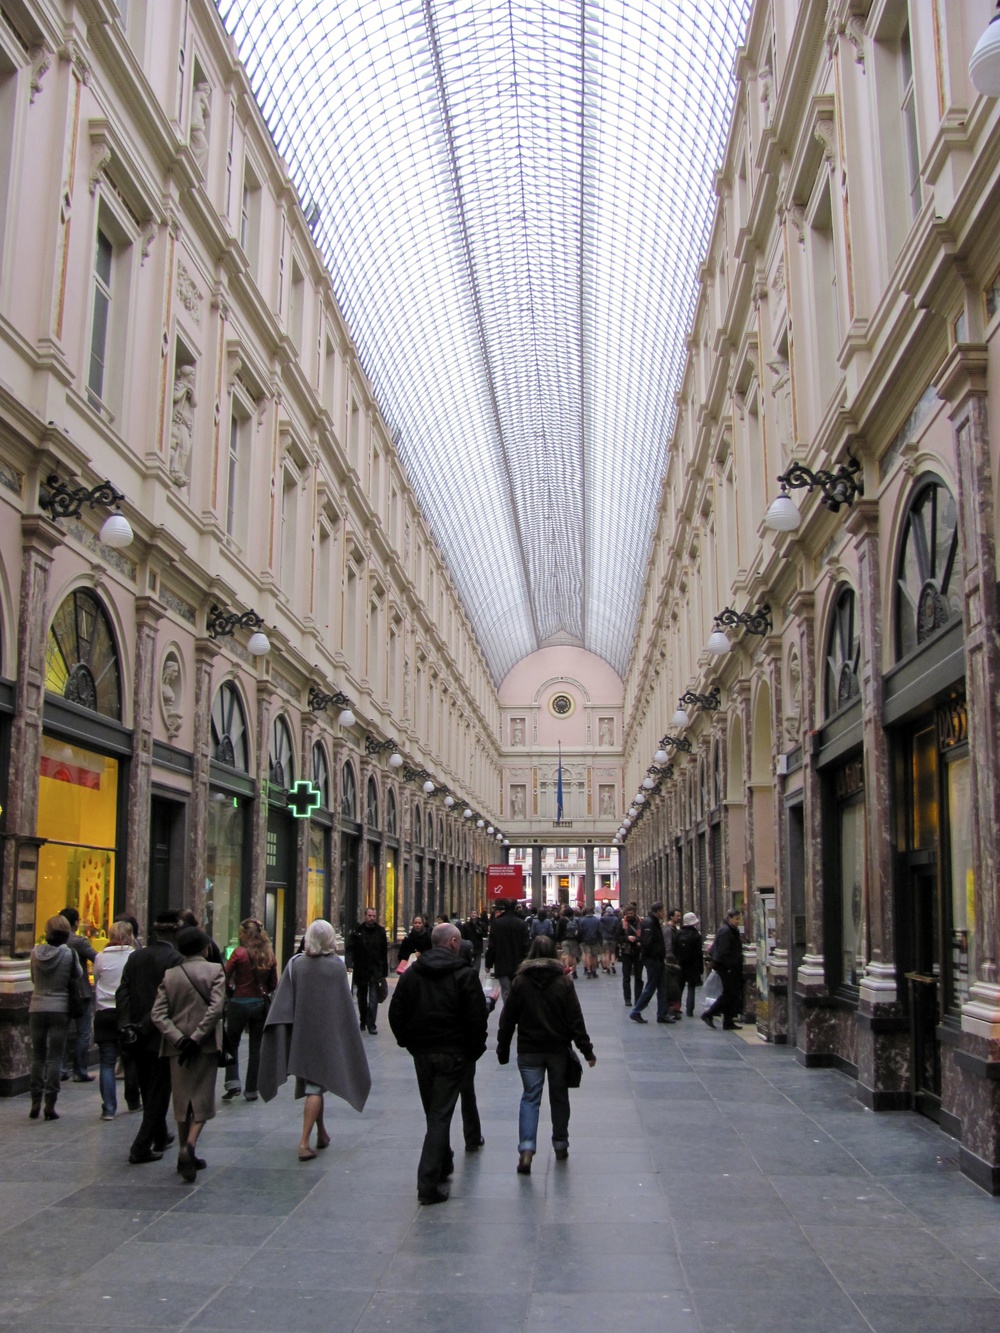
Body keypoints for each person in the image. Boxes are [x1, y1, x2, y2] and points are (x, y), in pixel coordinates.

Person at [388, 923, 488, 1205]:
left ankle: (443, 1164)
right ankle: (427, 1184)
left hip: (423, 1053)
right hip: (453, 1054)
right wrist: (472, 1051)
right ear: (454, 943)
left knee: (434, 1112)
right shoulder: (465, 975)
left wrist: (409, 1042)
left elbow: (396, 1013)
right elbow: (477, 1019)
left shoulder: (413, 974)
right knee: (439, 1115)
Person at [259, 919, 371, 1159]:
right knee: (314, 1087)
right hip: (327, 1036)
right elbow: (343, 1005)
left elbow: (283, 1001)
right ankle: (303, 1143)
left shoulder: (296, 965)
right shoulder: (336, 967)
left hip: (302, 1035)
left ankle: (321, 1133)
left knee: (314, 1081)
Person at [496, 936, 596, 1174]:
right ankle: (560, 1143)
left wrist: (502, 1047)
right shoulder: (563, 982)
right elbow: (575, 1019)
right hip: (557, 1049)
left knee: (530, 1097)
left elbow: (508, 1018)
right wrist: (586, 1050)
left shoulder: (520, 981)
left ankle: (527, 1149)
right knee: (559, 1096)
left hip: (529, 1049)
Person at [151, 927, 225, 1182]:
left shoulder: (171, 975)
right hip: (204, 1046)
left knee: (182, 1101)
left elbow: (157, 1014)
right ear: (205, 948)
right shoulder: (214, 971)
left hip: (177, 1049)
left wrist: (178, 1038)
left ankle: (186, 1153)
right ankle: (189, 1146)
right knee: (202, 1099)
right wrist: (196, 1038)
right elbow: (216, 1008)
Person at [117, 909, 183, 1165]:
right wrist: (144, 1026)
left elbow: (122, 992)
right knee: (158, 1093)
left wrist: (127, 1026)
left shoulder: (136, 957)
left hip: (135, 1034)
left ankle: (161, 1134)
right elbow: (165, 998)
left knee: (148, 1087)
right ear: (175, 932)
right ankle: (141, 1145)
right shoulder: (175, 959)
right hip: (159, 1034)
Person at [28, 915, 81, 1120]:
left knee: (37, 1056)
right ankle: (50, 1103)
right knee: (55, 1057)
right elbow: (77, 975)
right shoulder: (69, 953)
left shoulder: (35, 952)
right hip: (60, 1008)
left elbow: (33, 978)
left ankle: (34, 1101)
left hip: (37, 1005)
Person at [222, 918, 278, 1101]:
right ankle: (251, 1088)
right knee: (256, 1047)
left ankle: (232, 1081)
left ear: (245, 934)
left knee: (232, 1042)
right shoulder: (268, 953)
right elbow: (273, 983)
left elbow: (226, 975)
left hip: (239, 1002)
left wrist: (232, 990)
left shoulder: (239, 953)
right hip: (259, 1004)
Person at [92, 919, 135, 1120]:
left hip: (104, 1012)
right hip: (126, 1012)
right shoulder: (134, 956)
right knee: (130, 1058)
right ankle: (133, 1101)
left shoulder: (100, 958)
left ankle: (108, 1108)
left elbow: (97, 980)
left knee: (107, 1063)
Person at [60, 905, 97, 1082]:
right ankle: (79, 1070)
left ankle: (61, 1069)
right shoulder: (78, 942)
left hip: (62, 991)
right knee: (83, 1032)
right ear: (75, 922)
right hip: (81, 991)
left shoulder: (56, 941)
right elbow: (96, 958)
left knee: (63, 1032)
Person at [345, 906, 389, 1034]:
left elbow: (384, 951)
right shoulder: (358, 931)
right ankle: (363, 1019)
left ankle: (371, 1023)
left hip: (375, 969)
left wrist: (383, 972)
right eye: (369, 916)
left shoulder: (380, 931)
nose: (372, 918)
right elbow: (350, 949)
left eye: (374, 916)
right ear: (365, 916)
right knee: (361, 996)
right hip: (361, 967)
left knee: (374, 997)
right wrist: (349, 963)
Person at [628, 902, 674, 1024]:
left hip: (658, 960)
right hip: (653, 960)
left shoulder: (654, 922)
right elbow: (647, 943)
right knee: (650, 987)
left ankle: (662, 1014)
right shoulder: (649, 923)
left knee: (662, 987)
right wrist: (656, 953)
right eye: (663, 910)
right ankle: (636, 1011)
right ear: (658, 911)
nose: (664, 913)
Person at [702, 909, 744, 1030]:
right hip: (726, 967)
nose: (738, 921)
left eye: (738, 918)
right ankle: (708, 1014)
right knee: (729, 993)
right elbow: (722, 952)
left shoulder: (731, 930)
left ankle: (728, 1021)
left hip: (730, 967)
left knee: (732, 993)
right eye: (736, 919)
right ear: (729, 918)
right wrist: (728, 966)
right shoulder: (726, 931)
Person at [485, 900, 528, 1003]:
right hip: (519, 962)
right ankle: (516, 1013)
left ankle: (508, 1013)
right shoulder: (522, 923)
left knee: (506, 990)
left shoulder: (497, 923)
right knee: (518, 989)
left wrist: (488, 963)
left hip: (502, 961)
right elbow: (526, 945)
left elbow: (492, 945)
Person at [676, 912, 704, 1017]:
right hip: (693, 965)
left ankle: (677, 1008)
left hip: (680, 964)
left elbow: (675, 949)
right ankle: (689, 1010)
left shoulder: (678, 933)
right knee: (691, 988)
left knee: (680, 987)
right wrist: (700, 969)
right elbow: (699, 953)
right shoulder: (696, 935)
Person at [620, 903, 643, 1007]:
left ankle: (638, 997)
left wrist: (638, 940)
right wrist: (627, 938)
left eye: (631, 913)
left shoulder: (641, 922)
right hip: (626, 951)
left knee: (638, 976)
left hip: (638, 951)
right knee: (626, 976)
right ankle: (627, 999)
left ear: (635, 913)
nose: (629, 915)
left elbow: (645, 935)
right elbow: (617, 936)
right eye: (627, 913)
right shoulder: (621, 923)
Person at [578, 905, 602, 978]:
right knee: (594, 956)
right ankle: (594, 971)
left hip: (585, 940)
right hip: (594, 940)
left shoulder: (582, 920)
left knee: (587, 955)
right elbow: (599, 931)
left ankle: (588, 971)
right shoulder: (597, 920)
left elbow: (580, 931)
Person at [599, 906, 621, 974]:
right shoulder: (615, 919)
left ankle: (607, 967)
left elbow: (600, 924)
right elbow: (617, 928)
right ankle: (613, 964)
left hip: (605, 937)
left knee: (606, 953)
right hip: (613, 938)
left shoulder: (603, 919)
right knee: (613, 953)